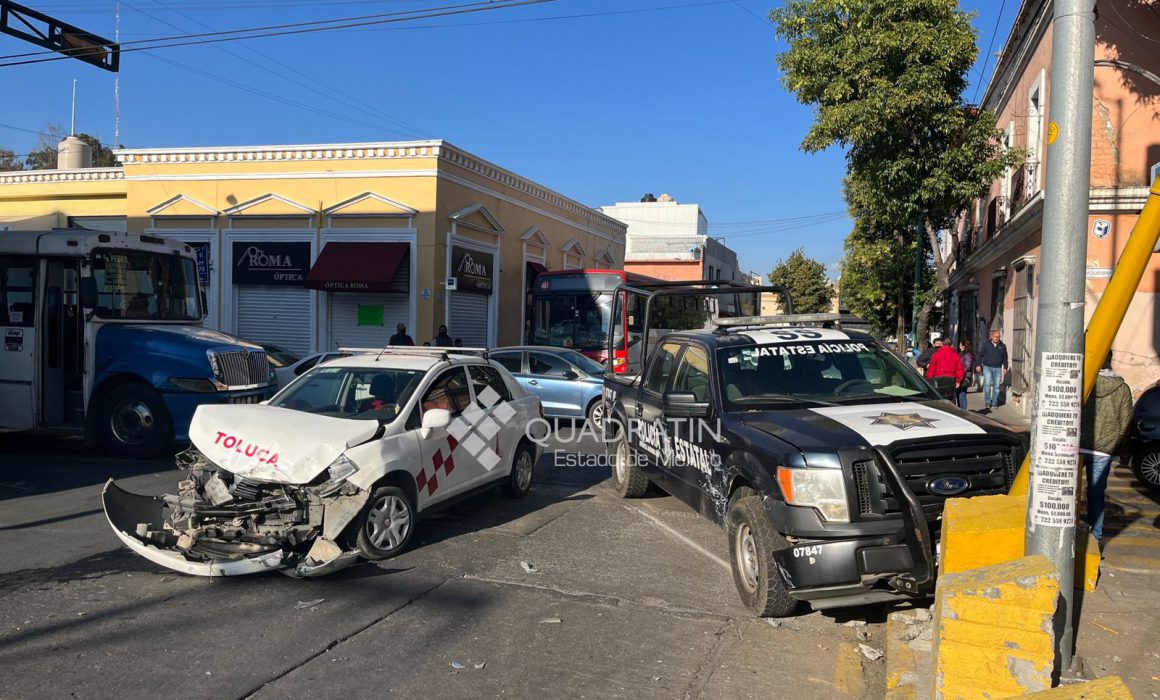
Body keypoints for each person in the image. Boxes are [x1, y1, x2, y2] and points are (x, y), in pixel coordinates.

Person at [1079, 364, 1133, 544]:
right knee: (1096, 493)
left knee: (1069, 492)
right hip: (1103, 450)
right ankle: (1095, 535)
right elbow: (1125, 421)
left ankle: (1069, 531)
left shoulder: (1082, 381)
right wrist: (1114, 446)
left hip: (1076, 446)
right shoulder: (1122, 388)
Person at [976, 329, 1009, 409]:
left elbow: (1005, 357)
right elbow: (980, 355)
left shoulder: (1002, 346)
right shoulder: (986, 344)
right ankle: (988, 401)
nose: (996, 338)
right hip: (987, 367)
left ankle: (994, 402)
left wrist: (1005, 367)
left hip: (997, 368)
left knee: (996, 386)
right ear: (992, 336)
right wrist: (978, 365)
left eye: (998, 337)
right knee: (987, 384)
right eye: (995, 336)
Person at [957, 339, 975, 410]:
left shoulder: (967, 355)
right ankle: (960, 409)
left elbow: (967, 366)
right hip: (960, 376)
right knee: (959, 394)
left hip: (965, 377)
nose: (959, 346)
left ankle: (963, 411)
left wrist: (959, 372)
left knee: (962, 394)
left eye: (960, 344)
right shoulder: (961, 353)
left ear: (963, 346)